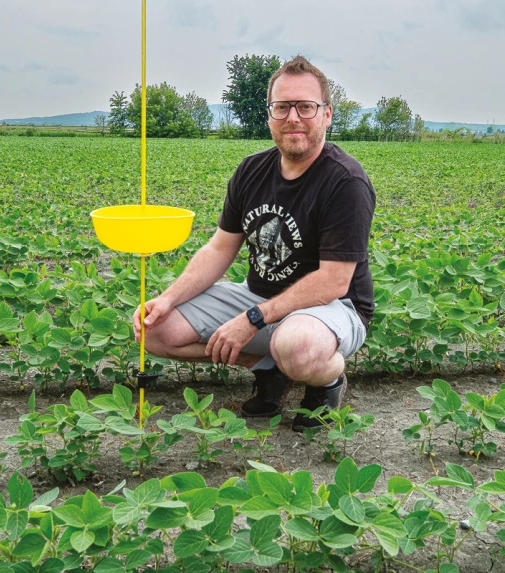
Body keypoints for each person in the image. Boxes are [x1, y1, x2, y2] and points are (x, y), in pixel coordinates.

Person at [132, 56, 376, 431]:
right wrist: (167, 300)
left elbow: (333, 282)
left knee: (296, 345)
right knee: (155, 328)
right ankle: (270, 369)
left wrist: (252, 320)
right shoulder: (251, 170)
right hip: (260, 297)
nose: (293, 117)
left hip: (333, 308)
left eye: (306, 107)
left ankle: (326, 383)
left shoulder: (345, 181)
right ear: (269, 115)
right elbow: (219, 249)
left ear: (327, 115)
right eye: (282, 107)